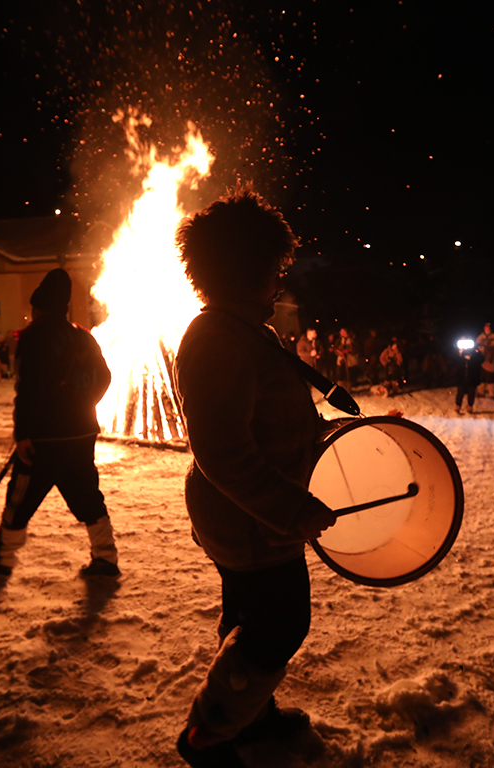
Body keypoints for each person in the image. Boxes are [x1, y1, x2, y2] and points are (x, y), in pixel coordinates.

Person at [171, 189, 337, 767]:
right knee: (280, 624)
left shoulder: (244, 332)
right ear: (249, 271)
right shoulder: (216, 339)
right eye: (273, 271)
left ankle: (251, 715)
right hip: (251, 522)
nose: (279, 283)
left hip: (253, 516)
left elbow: (274, 420)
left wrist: (340, 436)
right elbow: (223, 452)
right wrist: (290, 510)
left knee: (245, 617)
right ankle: (211, 733)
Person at [0, 268, 118, 579]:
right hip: (82, 432)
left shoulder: (34, 337)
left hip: (45, 439)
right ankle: (106, 557)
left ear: (39, 307)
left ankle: (3, 556)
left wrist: (24, 434)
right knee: (87, 494)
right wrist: (83, 405)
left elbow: (29, 389)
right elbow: (104, 377)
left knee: (20, 497)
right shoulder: (82, 335)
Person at [453, 340, 483, 414]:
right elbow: (454, 360)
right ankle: (458, 406)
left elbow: (482, 359)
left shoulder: (475, 357)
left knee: (471, 393)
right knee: (460, 393)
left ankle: (470, 406)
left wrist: (477, 350)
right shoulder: (460, 358)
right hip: (461, 379)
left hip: (472, 379)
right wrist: (458, 352)